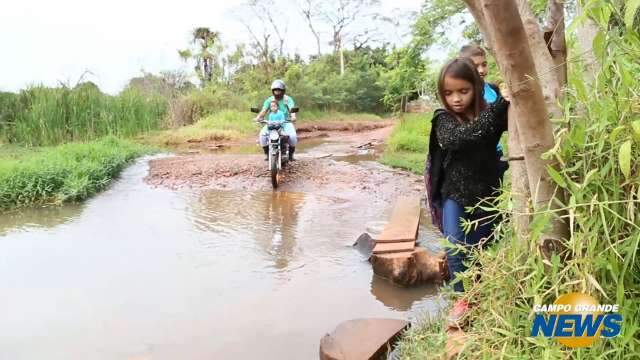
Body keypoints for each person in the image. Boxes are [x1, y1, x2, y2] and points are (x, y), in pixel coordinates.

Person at [427, 58, 508, 327]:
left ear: (476, 87)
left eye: (463, 91)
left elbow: (501, 127)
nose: (456, 99)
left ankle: (479, 296)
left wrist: (506, 102)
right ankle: (462, 301)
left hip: (488, 194)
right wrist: (498, 106)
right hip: (455, 195)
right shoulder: (444, 118)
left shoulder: (493, 113)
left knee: (480, 248)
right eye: (449, 93)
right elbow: (461, 138)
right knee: (455, 246)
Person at [459, 44, 509, 180]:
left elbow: (505, 121)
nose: (481, 70)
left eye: (484, 64)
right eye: (475, 66)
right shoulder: (460, 95)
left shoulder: (493, 89)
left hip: (495, 153)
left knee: (494, 198)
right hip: (472, 157)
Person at [255, 79, 298, 161]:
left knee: (292, 136)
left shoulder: (287, 99)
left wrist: (293, 117)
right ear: (272, 91)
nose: (277, 93)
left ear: (283, 91)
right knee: (262, 136)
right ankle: (267, 154)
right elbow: (264, 111)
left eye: (279, 91)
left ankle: (291, 155)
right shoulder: (270, 100)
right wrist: (258, 118)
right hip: (272, 122)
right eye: (275, 91)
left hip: (285, 122)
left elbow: (292, 110)